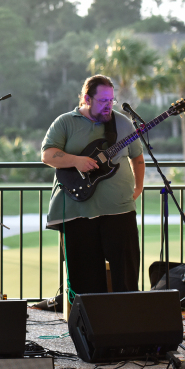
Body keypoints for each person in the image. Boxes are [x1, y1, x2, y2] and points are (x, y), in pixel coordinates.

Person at [41, 74, 145, 296]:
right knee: (85, 283)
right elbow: (47, 155)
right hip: (78, 212)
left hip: (119, 210)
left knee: (126, 279)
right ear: (87, 99)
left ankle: (126, 316)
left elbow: (137, 157)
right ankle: (90, 319)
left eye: (111, 100)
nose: (109, 105)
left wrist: (138, 188)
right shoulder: (65, 122)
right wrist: (76, 161)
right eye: (103, 100)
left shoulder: (123, 123)